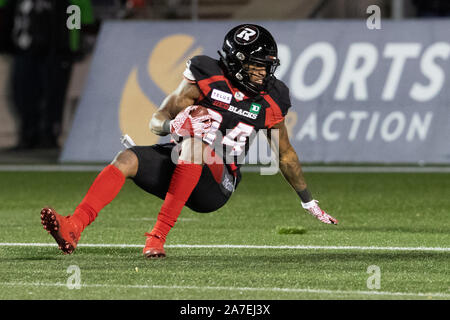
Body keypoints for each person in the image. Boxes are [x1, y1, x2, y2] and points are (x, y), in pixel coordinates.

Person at [40, 24, 338, 259]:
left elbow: (285, 155)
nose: (263, 73)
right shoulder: (205, 74)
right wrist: (174, 123)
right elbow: (157, 120)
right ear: (237, 61)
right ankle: (74, 226)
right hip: (181, 158)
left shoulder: (273, 98)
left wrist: (308, 201)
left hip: (218, 184)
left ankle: (156, 238)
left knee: (194, 146)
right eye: (257, 66)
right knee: (126, 158)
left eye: (266, 65)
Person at [8, 0, 94, 150]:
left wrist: (74, 44)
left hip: (56, 48)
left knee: (53, 94)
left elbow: (80, 11)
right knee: (22, 93)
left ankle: (49, 135)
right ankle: (28, 134)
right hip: (26, 48)